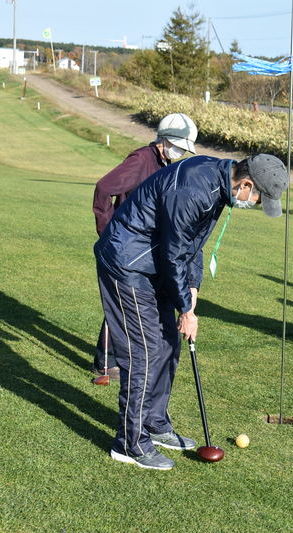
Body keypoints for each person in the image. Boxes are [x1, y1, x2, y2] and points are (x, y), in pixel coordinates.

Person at [94, 153, 288, 469]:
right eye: (258, 198)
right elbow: (174, 253)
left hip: (151, 264)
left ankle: (154, 423)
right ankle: (130, 444)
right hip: (126, 263)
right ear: (246, 184)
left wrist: (193, 288)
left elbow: (193, 244)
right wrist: (186, 310)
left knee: (168, 344)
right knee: (144, 352)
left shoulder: (220, 184)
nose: (254, 204)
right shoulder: (195, 189)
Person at [90, 113, 198, 381]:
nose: (181, 152)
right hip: (124, 246)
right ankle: (105, 363)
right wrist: (107, 232)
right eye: (179, 146)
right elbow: (104, 189)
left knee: (128, 301)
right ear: (165, 140)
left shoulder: (162, 163)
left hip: (144, 246)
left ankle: (116, 357)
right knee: (121, 302)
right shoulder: (142, 159)